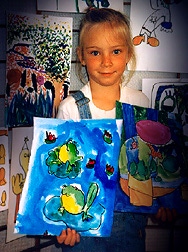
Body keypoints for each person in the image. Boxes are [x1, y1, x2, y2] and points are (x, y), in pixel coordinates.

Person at [56, 7, 177, 252]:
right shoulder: (71, 108)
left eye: (116, 51)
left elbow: (153, 162)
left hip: (130, 232)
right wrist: (63, 225)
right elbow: (60, 175)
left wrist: (164, 203)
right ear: (81, 56)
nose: (106, 61)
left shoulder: (140, 103)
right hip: (82, 231)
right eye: (95, 52)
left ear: (128, 54)